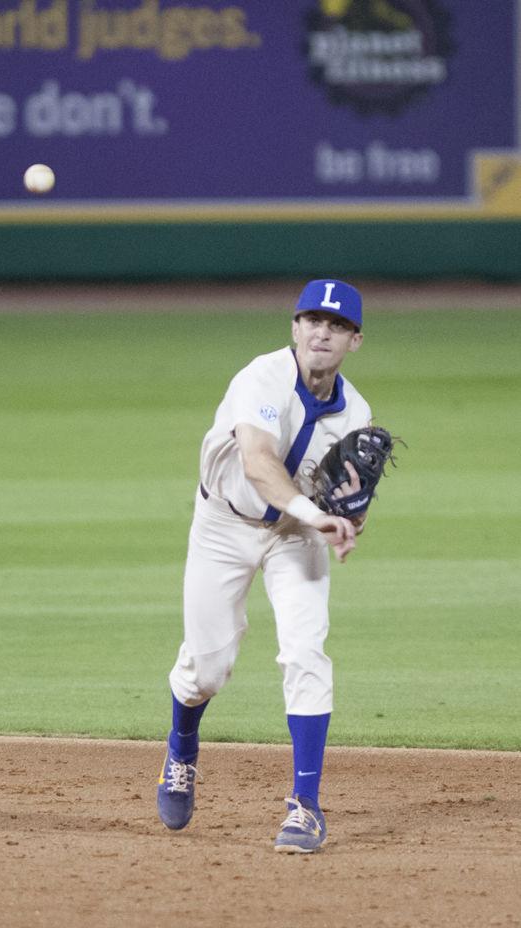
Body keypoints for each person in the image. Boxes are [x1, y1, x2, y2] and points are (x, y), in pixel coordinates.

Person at [157, 279, 372, 853]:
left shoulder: (357, 413)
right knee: (208, 671)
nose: (322, 332)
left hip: (295, 537)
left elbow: (342, 500)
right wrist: (316, 513)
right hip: (224, 527)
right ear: (295, 328)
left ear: (354, 341)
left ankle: (306, 806)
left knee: (306, 649)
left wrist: (346, 523)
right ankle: (182, 748)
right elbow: (257, 463)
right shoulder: (262, 378)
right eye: (312, 320)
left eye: (337, 326)